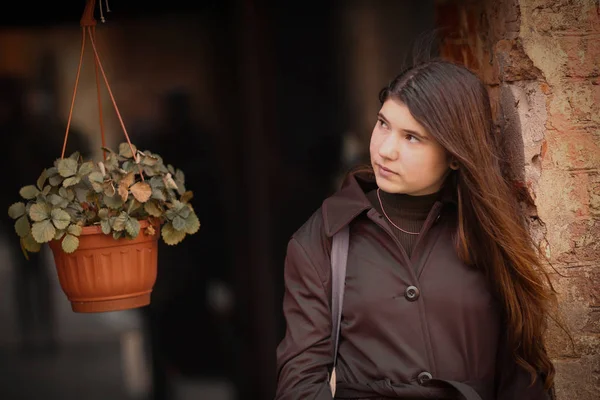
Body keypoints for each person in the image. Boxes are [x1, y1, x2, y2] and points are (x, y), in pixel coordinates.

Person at [274, 59, 557, 399]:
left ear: (455, 154)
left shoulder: (488, 234)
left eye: (411, 137)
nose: (385, 150)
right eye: (383, 124)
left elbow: (520, 375)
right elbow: (299, 387)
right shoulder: (323, 238)